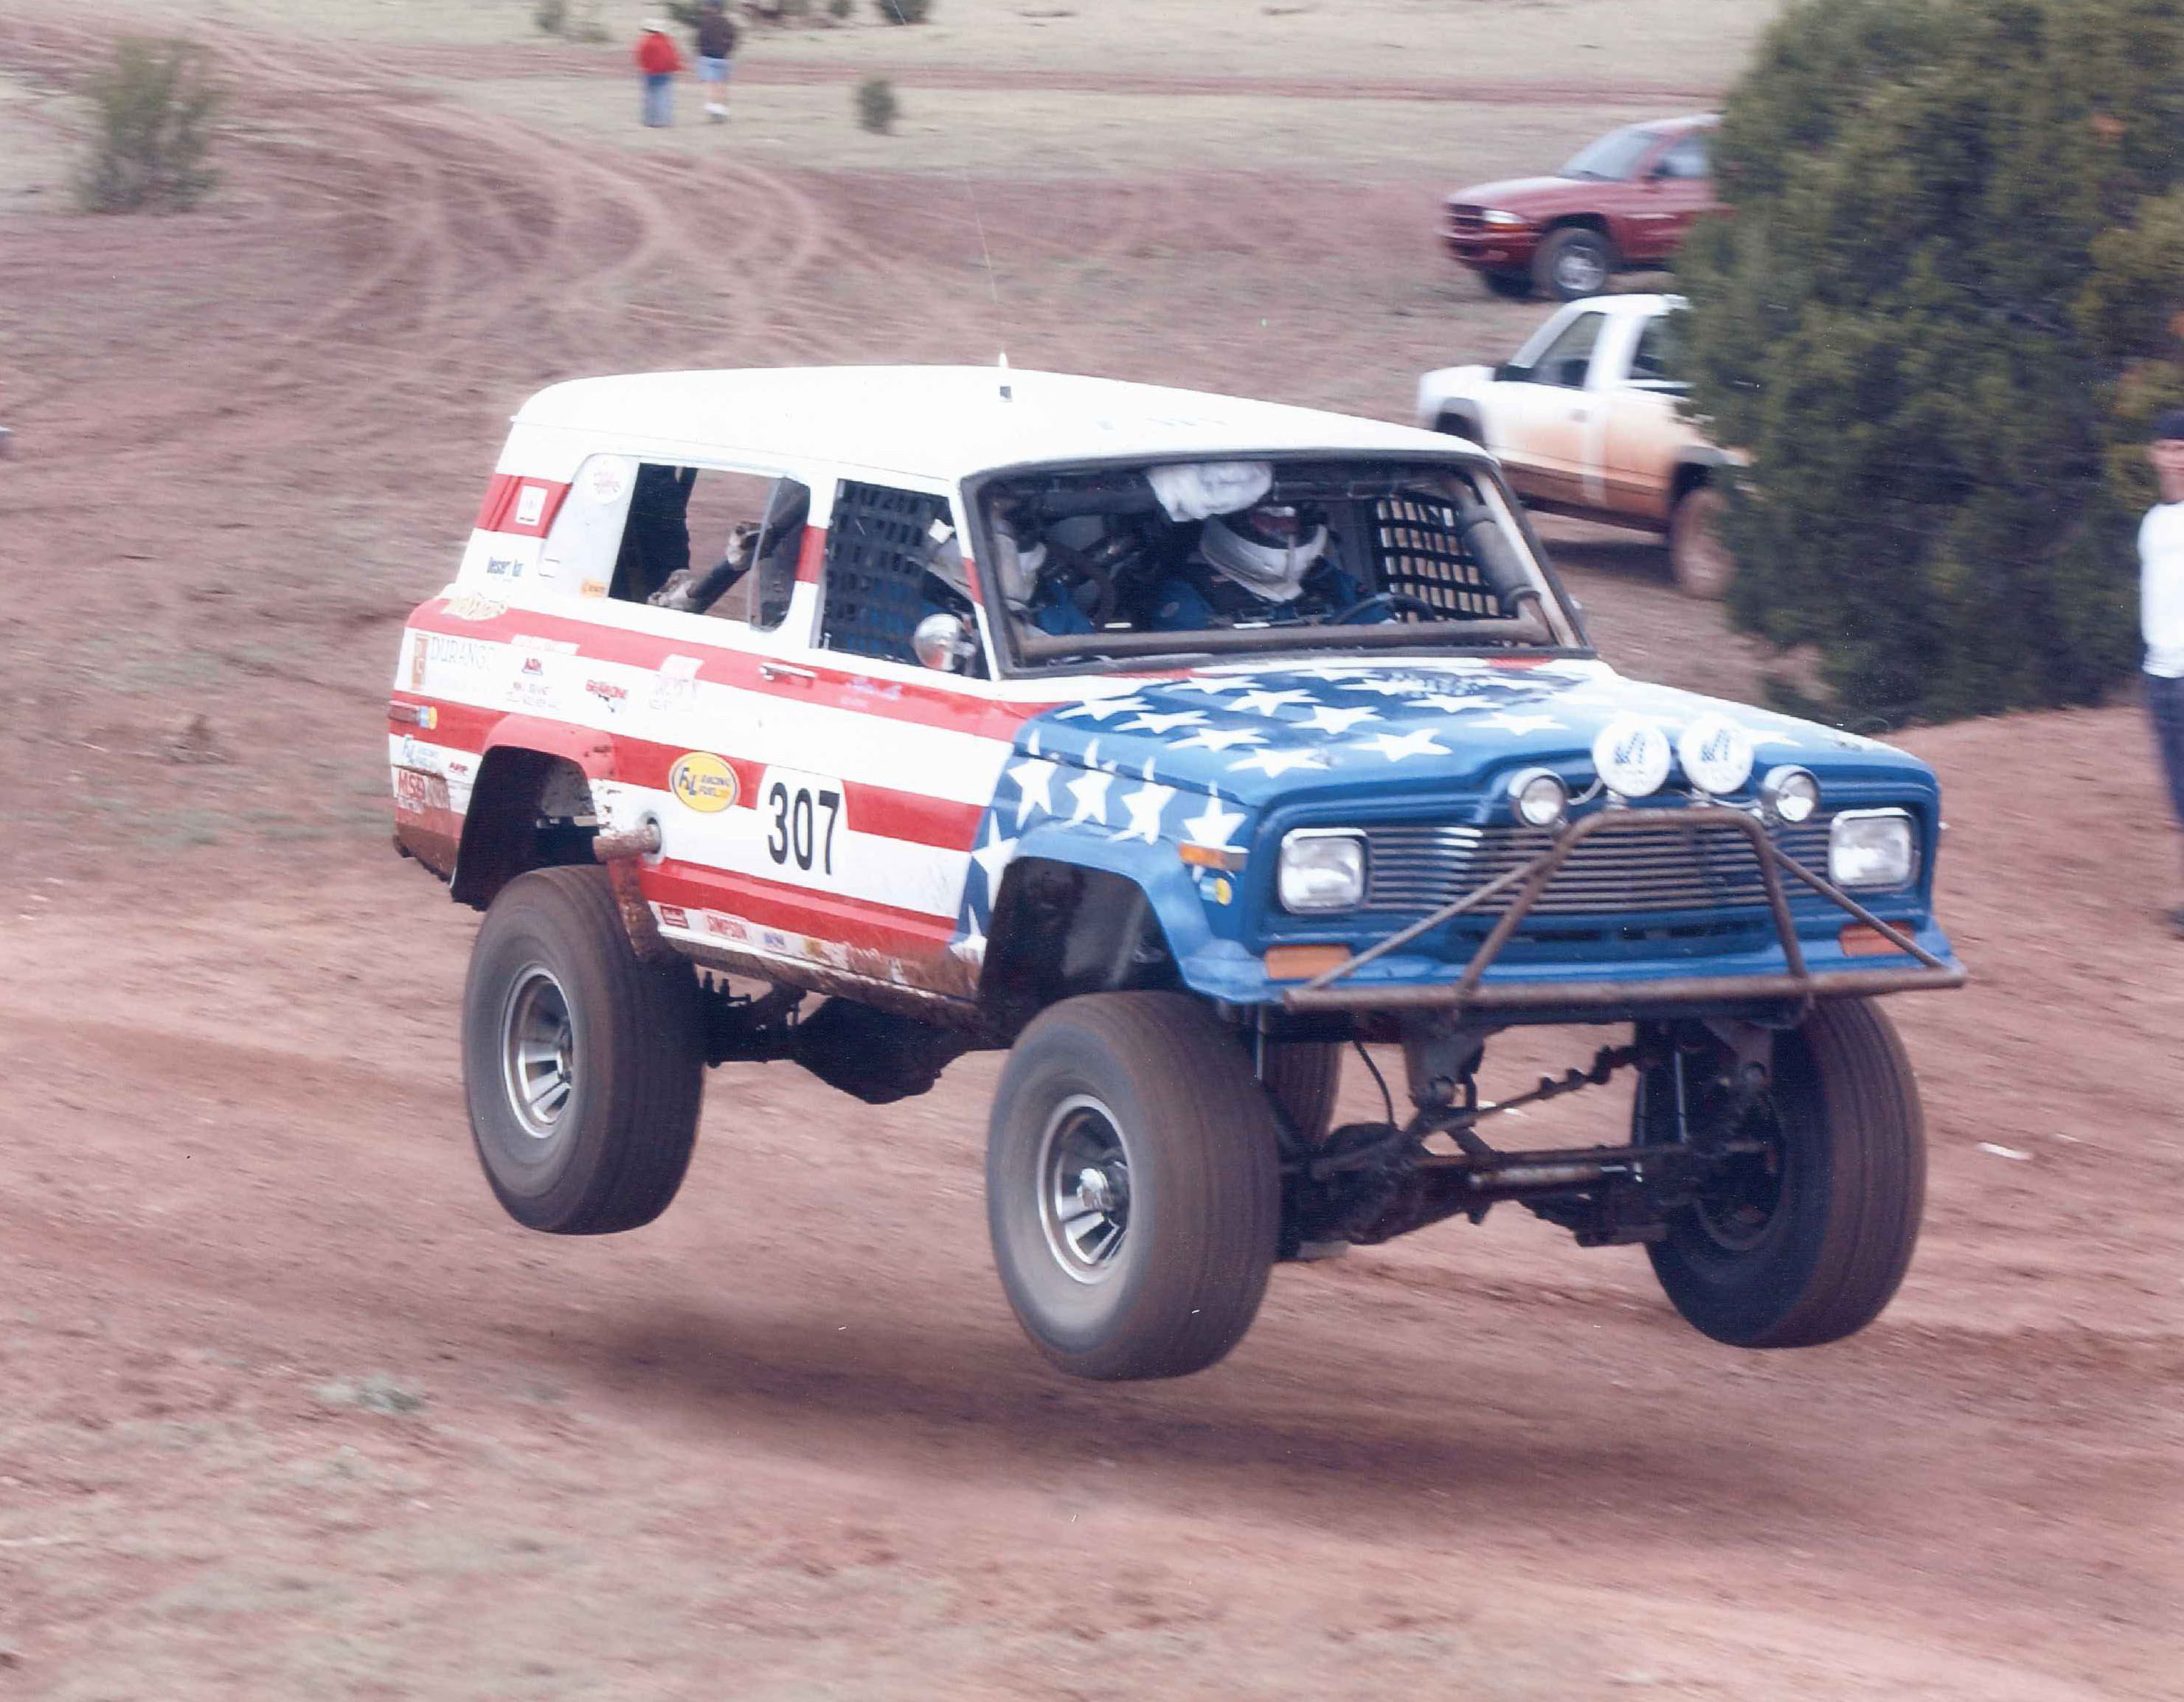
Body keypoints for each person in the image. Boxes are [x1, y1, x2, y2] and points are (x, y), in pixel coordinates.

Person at [1147, 499, 1368, 631]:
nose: (1283, 525)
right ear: (1232, 519)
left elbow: (1378, 625)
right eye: (1268, 516)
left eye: (1291, 516)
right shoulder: (1186, 591)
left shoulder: (1327, 578)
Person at [2142, 408, 2184, 934]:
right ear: (2154, 454)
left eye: (2183, 451)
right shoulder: (2152, 523)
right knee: (2179, 793)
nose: (2176, 459)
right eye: (2169, 449)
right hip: (2160, 674)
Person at [693, 0, 738, 123]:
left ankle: (713, 111)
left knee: (710, 84)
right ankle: (722, 110)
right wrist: (727, 50)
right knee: (722, 85)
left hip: (708, 58)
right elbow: (733, 38)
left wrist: (702, 51)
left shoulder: (705, 22)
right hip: (723, 58)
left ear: (712, 8)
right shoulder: (728, 23)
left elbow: (699, 39)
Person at [635, 21, 684, 129]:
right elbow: (674, 55)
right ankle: (666, 119)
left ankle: (652, 120)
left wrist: (644, 68)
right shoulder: (667, 40)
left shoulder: (646, 41)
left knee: (651, 97)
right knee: (665, 96)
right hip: (667, 72)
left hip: (651, 72)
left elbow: (641, 57)